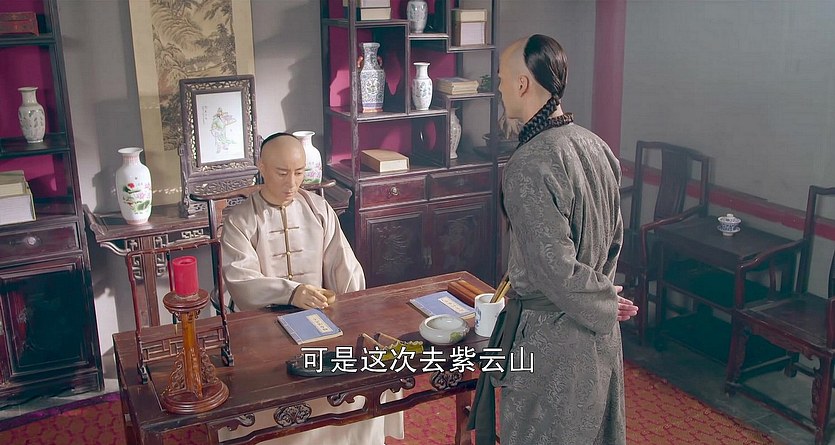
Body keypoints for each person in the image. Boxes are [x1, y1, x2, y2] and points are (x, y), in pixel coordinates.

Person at [468, 35, 638, 445]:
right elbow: (615, 240)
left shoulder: (529, 163)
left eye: (503, 79)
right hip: (598, 335)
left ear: (523, 83)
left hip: (551, 340)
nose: (500, 88)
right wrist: (603, 296)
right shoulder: (596, 146)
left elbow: (553, 267)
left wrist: (601, 299)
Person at [220, 132, 403, 445]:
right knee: (272, 385)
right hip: (262, 328)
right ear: (261, 167)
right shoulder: (241, 219)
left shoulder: (318, 208)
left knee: (368, 372)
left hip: (319, 321)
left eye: (299, 173)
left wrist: (354, 309)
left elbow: (345, 267)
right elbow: (241, 282)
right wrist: (292, 292)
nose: (292, 183)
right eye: (282, 173)